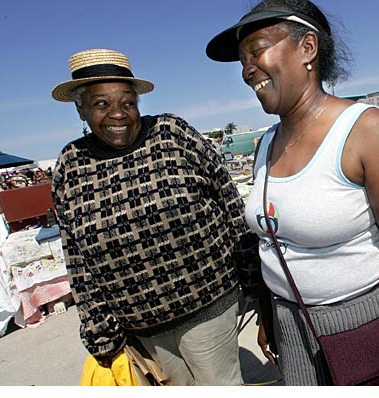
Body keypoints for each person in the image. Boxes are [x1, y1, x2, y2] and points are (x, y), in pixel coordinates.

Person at [207, 0, 379, 386]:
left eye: (258, 49)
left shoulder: (365, 132)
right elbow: (271, 242)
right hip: (291, 326)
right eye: (242, 60)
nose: (247, 70)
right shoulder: (266, 145)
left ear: (308, 49)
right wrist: (270, 315)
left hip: (359, 328)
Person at [50, 49, 260, 386]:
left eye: (127, 103)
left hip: (209, 305)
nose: (117, 114)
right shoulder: (70, 166)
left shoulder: (172, 134)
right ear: (81, 108)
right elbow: (77, 257)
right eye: (101, 104)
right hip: (141, 326)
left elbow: (230, 203)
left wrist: (254, 279)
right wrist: (99, 330)